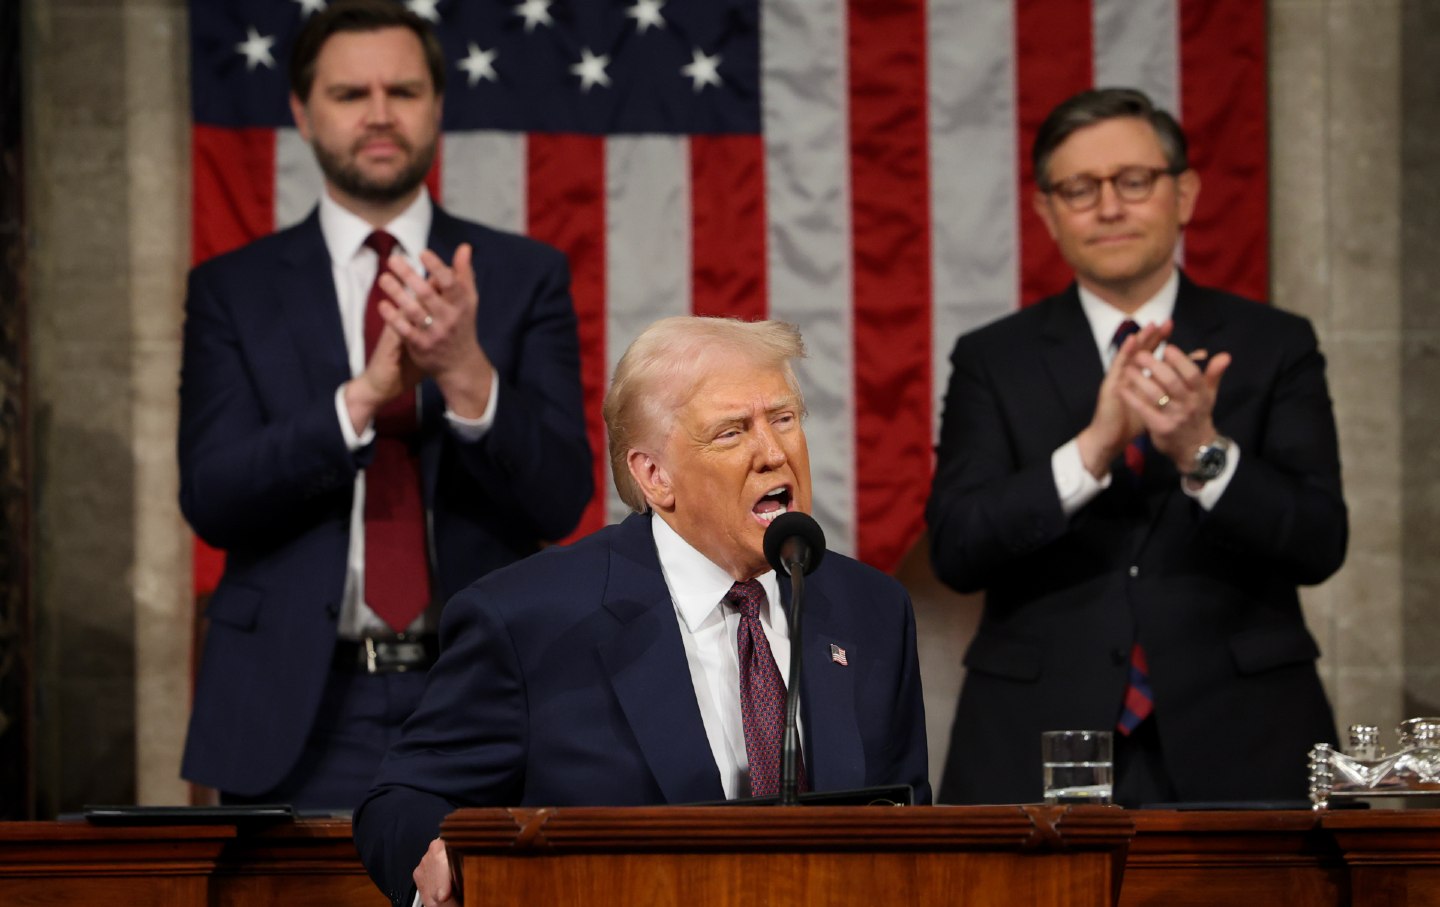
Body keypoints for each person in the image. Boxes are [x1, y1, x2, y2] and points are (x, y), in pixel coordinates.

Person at [353, 316, 930, 907]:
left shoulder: (871, 610)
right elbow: (401, 801)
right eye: (732, 432)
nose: (773, 452)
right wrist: (439, 862)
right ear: (654, 477)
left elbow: (910, 831)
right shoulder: (528, 619)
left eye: (783, 419)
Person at [178, 0, 593, 810]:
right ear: (301, 111)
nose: (378, 115)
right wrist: (363, 398)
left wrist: (468, 373)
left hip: (484, 696)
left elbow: (563, 497)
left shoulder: (519, 277)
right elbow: (213, 497)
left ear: (438, 105)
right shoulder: (232, 288)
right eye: (349, 94)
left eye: (402, 91)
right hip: (297, 713)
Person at [928, 88, 1346, 807]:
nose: (1109, 207)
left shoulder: (1274, 344)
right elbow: (957, 549)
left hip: (1246, 740)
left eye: (1133, 181)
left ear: (1183, 193)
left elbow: (1320, 541)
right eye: (1079, 189)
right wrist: (1090, 450)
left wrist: (1201, 451)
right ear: (1047, 212)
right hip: (1036, 740)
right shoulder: (993, 358)